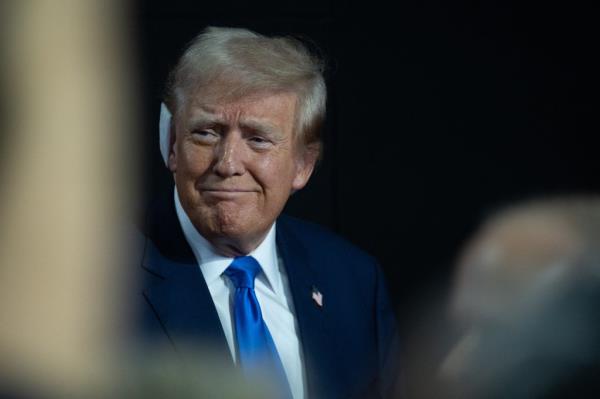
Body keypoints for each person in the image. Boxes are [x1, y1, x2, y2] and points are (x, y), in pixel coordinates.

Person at [135, 26, 398, 399]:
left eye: (257, 139)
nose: (227, 164)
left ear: (303, 165)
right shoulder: (100, 282)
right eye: (207, 132)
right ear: (173, 145)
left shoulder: (352, 282)